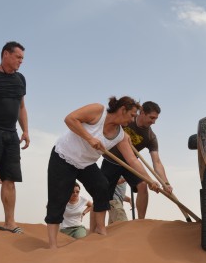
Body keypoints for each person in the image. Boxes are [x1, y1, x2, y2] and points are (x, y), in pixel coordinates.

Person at [44, 96, 160, 249]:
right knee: (58, 198)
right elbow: (70, 119)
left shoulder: (121, 136)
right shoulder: (98, 111)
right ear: (122, 109)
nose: (132, 120)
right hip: (64, 156)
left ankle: (100, 229)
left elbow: (132, 160)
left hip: (85, 163)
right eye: (132, 115)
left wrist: (150, 180)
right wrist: (90, 138)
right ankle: (52, 245)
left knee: (102, 186)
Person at [101, 101, 172, 219]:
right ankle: (98, 228)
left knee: (143, 184)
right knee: (102, 193)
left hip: (131, 163)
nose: (154, 122)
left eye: (156, 119)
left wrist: (165, 183)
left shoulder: (151, 137)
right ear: (142, 112)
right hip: (111, 161)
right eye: (152, 118)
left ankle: (141, 221)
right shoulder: (127, 121)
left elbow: (157, 162)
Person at [0, 41, 30, 234]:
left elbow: (21, 107)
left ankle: (10, 222)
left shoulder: (21, 79)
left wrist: (26, 131)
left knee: (10, 179)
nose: (21, 61)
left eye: (22, 58)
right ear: (6, 54)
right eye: (18, 57)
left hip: (11, 134)